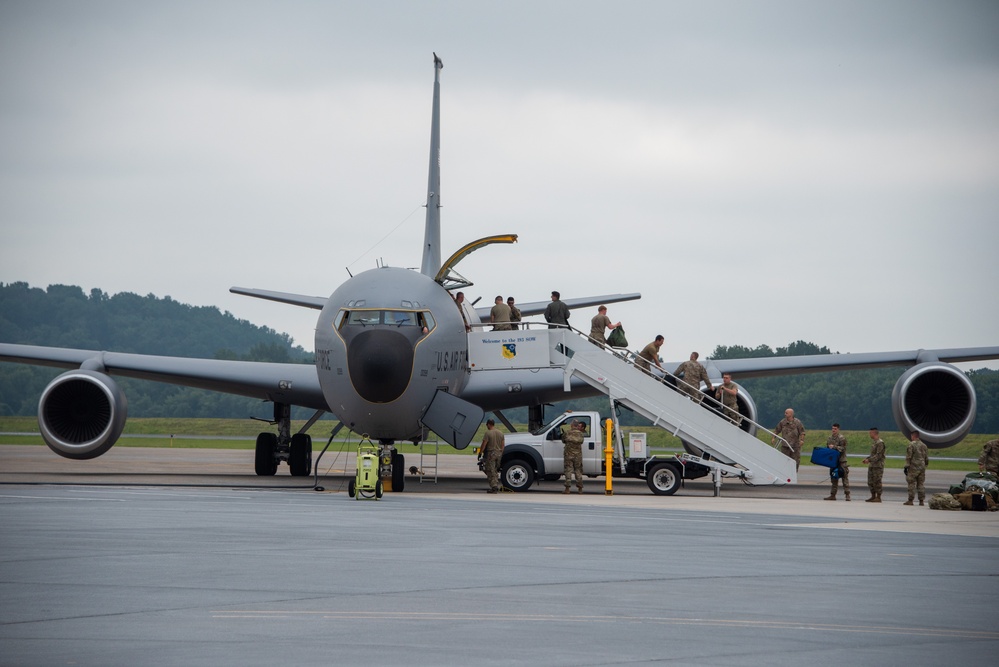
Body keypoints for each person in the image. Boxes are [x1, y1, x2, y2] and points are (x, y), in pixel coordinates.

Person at [823, 423, 850, 501]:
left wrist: (834, 447)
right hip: (833, 461)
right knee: (834, 478)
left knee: (844, 478)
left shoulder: (842, 438)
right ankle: (833, 495)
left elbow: (843, 449)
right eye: (832, 428)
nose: (833, 430)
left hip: (842, 461)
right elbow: (828, 448)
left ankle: (847, 495)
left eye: (835, 429)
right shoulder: (829, 438)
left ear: (838, 429)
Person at [479, 419, 505, 493]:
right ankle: (495, 483)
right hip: (499, 453)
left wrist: (480, 453)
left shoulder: (488, 433)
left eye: (487, 425)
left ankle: (494, 486)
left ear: (489, 424)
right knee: (495, 470)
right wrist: (500, 453)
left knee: (489, 470)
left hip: (491, 453)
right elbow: (503, 445)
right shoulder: (501, 433)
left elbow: (484, 444)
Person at [903, 430, 929, 506]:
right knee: (920, 484)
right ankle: (921, 501)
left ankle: (910, 500)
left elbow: (909, 457)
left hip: (914, 467)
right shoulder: (924, 445)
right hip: (922, 467)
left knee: (911, 483)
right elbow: (926, 458)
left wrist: (906, 466)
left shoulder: (911, 445)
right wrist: (925, 465)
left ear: (913, 436)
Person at [862, 426, 885, 503]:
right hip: (872, 465)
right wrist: (867, 459)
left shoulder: (880, 443)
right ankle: (873, 496)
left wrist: (869, 460)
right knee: (870, 482)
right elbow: (873, 455)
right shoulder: (874, 443)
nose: (869, 434)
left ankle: (878, 497)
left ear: (874, 433)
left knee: (877, 481)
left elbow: (878, 456)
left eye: (870, 433)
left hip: (878, 466)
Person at [561, 419, 585, 494]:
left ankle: (567, 489)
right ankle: (580, 489)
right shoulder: (580, 434)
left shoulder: (567, 433)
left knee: (568, 471)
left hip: (568, 455)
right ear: (577, 425)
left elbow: (563, 440)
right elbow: (582, 441)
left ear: (572, 425)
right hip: (578, 455)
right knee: (578, 471)